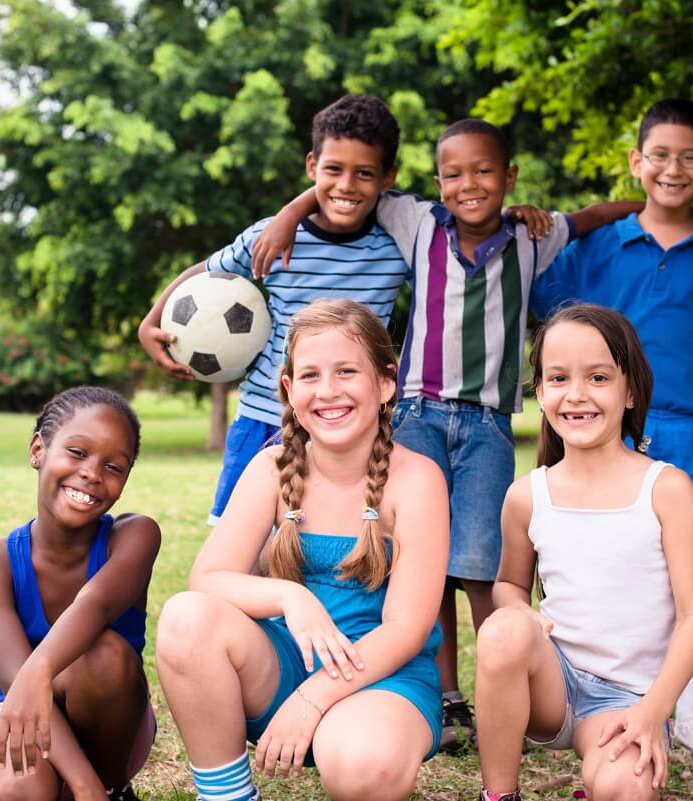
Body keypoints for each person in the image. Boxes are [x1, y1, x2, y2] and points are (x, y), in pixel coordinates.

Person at [250, 118, 655, 752]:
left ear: (510, 177)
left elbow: (593, 214)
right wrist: (285, 216)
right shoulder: (418, 224)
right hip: (417, 411)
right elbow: (347, 184)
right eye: (455, 174)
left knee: (481, 560)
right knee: (424, 563)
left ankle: (502, 691)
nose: (470, 185)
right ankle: (444, 695)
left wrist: (659, 207)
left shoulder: (531, 237)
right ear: (436, 182)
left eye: (485, 172)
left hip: (488, 420)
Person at [531, 98, 693, 762]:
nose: (674, 168)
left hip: (689, 431)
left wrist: (683, 389)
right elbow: (552, 309)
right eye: (659, 154)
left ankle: (688, 709)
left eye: (690, 156)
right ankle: (585, 691)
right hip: (607, 429)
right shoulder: (602, 244)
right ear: (637, 162)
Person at [156, 299, 449, 801]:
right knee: (186, 618)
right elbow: (208, 578)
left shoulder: (417, 480)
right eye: (310, 375)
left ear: (385, 383)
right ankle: (227, 796)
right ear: (290, 391)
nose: (328, 390)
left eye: (346, 371)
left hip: (383, 677)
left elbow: (406, 629)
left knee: (365, 768)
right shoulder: (272, 469)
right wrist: (292, 599)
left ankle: (356, 740)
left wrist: (314, 699)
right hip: (285, 664)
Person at [474, 304, 693, 801]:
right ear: (540, 393)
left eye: (598, 377)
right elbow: (509, 585)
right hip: (551, 685)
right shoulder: (528, 494)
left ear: (630, 391)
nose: (576, 395)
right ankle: (499, 795)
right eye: (558, 378)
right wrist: (520, 613)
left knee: (624, 788)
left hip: (627, 701)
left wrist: (653, 710)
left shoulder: (667, 490)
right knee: (502, 631)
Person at [137, 94, 410, 526]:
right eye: (333, 170)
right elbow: (207, 270)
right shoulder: (274, 238)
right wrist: (150, 322)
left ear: (387, 177)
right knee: (242, 547)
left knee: (329, 543)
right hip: (266, 417)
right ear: (311, 167)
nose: (346, 185)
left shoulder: (397, 245)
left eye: (364, 174)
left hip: (349, 427)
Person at [0, 387, 161, 801]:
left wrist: (39, 669)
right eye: (77, 452)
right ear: (38, 449)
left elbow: (96, 603)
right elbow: (16, 679)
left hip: (111, 721)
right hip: (21, 708)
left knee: (104, 652)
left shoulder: (134, 536)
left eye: (114, 466)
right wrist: (83, 784)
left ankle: (108, 788)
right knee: (28, 787)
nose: (93, 473)